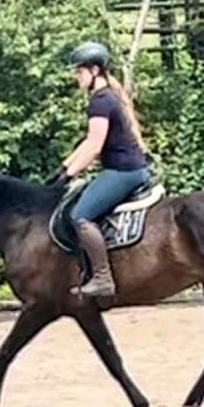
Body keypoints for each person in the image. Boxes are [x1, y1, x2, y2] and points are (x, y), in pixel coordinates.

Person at [49, 40, 150, 298]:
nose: (75, 76)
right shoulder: (108, 96)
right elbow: (87, 143)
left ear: (94, 71)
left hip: (123, 172)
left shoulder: (100, 101)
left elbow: (95, 146)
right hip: (127, 169)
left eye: (79, 71)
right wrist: (64, 167)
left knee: (80, 216)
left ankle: (103, 278)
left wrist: (71, 175)